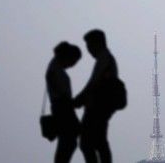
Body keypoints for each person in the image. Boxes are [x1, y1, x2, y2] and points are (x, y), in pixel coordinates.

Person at [74, 29, 118, 163]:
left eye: (89, 45)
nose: (88, 50)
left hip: (97, 107)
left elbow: (94, 81)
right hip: (100, 106)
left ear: (97, 43)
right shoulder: (106, 58)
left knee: (89, 143)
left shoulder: (104, 58)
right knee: (98, 142)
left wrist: (80, 98)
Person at [46, 42, 82, 163]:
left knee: (68, 142)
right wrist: (69, 102)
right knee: (68, 142)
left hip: (62, 107)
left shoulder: (56, 67)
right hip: (62, 108)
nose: (72, 65)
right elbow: (58, 91)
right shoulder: (54, 68)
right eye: (73, 61)